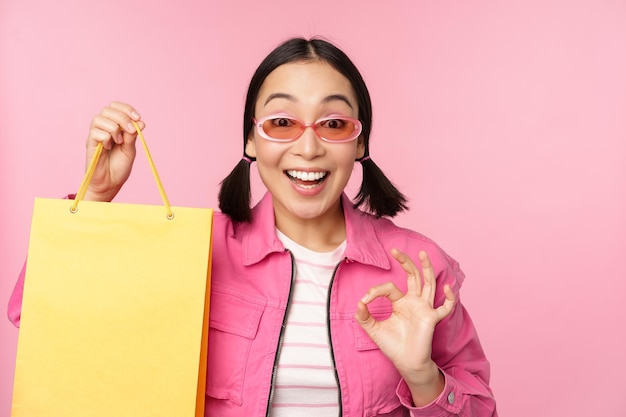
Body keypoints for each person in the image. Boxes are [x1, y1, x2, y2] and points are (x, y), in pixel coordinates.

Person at [8, 37, 497, 416]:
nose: (308, 148)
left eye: (332, 123)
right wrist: (96, 198)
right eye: (282, 123)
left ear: (360, 142)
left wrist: (422, 375)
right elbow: (43, 323)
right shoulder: (197, 249)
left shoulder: (418, 269)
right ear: (250, 139)